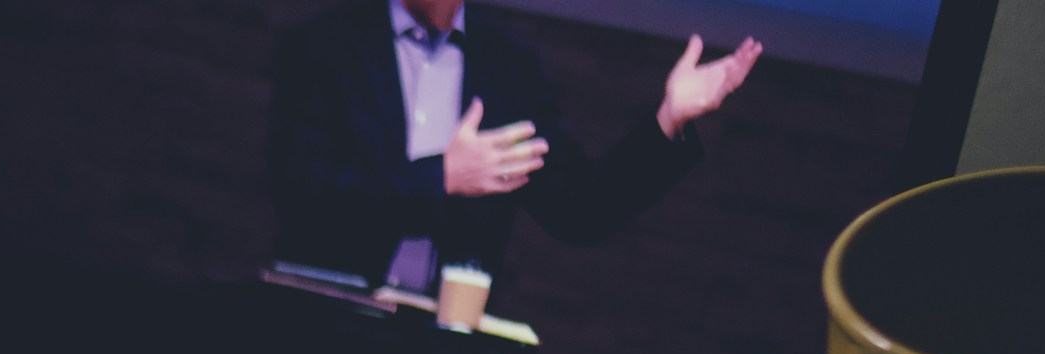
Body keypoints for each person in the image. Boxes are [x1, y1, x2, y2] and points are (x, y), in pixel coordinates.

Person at [268, 0, 761, 293]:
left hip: (444, 352)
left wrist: (668, 118)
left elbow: (581, 210)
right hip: (322, 320)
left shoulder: (507, 67)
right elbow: (298, 191)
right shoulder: (323, 45)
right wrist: (440, 180)